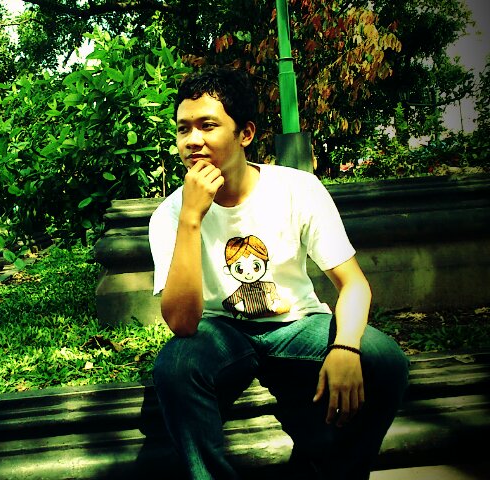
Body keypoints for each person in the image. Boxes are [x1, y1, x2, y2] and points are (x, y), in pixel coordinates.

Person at [148, 67, 409, 479]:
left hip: (297, 324)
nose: (193, 140)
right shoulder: (171, 215)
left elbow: (354, 284)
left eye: (207, 126)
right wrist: (191, 220)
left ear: (245, 134)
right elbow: (182, 323)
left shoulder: (297, 189)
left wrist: (346, 348)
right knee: (175, 368)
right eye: (183, 129)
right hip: (221, 331)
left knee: (384, 359)